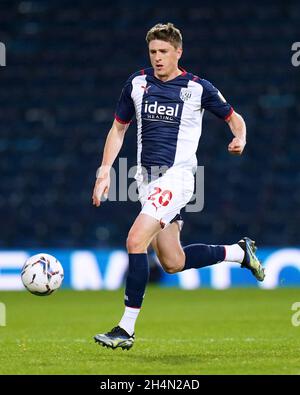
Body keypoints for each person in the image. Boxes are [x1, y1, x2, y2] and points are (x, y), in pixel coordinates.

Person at [92, 23, 265, 350]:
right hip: (146, 181)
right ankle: (239, 252)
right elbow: (118, 129)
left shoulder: (198, 89)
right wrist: (105, 170)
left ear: (178, 52)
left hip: (179, 179)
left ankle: (125, 329)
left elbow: (234, 117)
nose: (157, 58)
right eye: (153, 52)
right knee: (173, 261)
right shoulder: (137, 83)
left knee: (134, 240)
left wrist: (240, 137)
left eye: (163, 52)